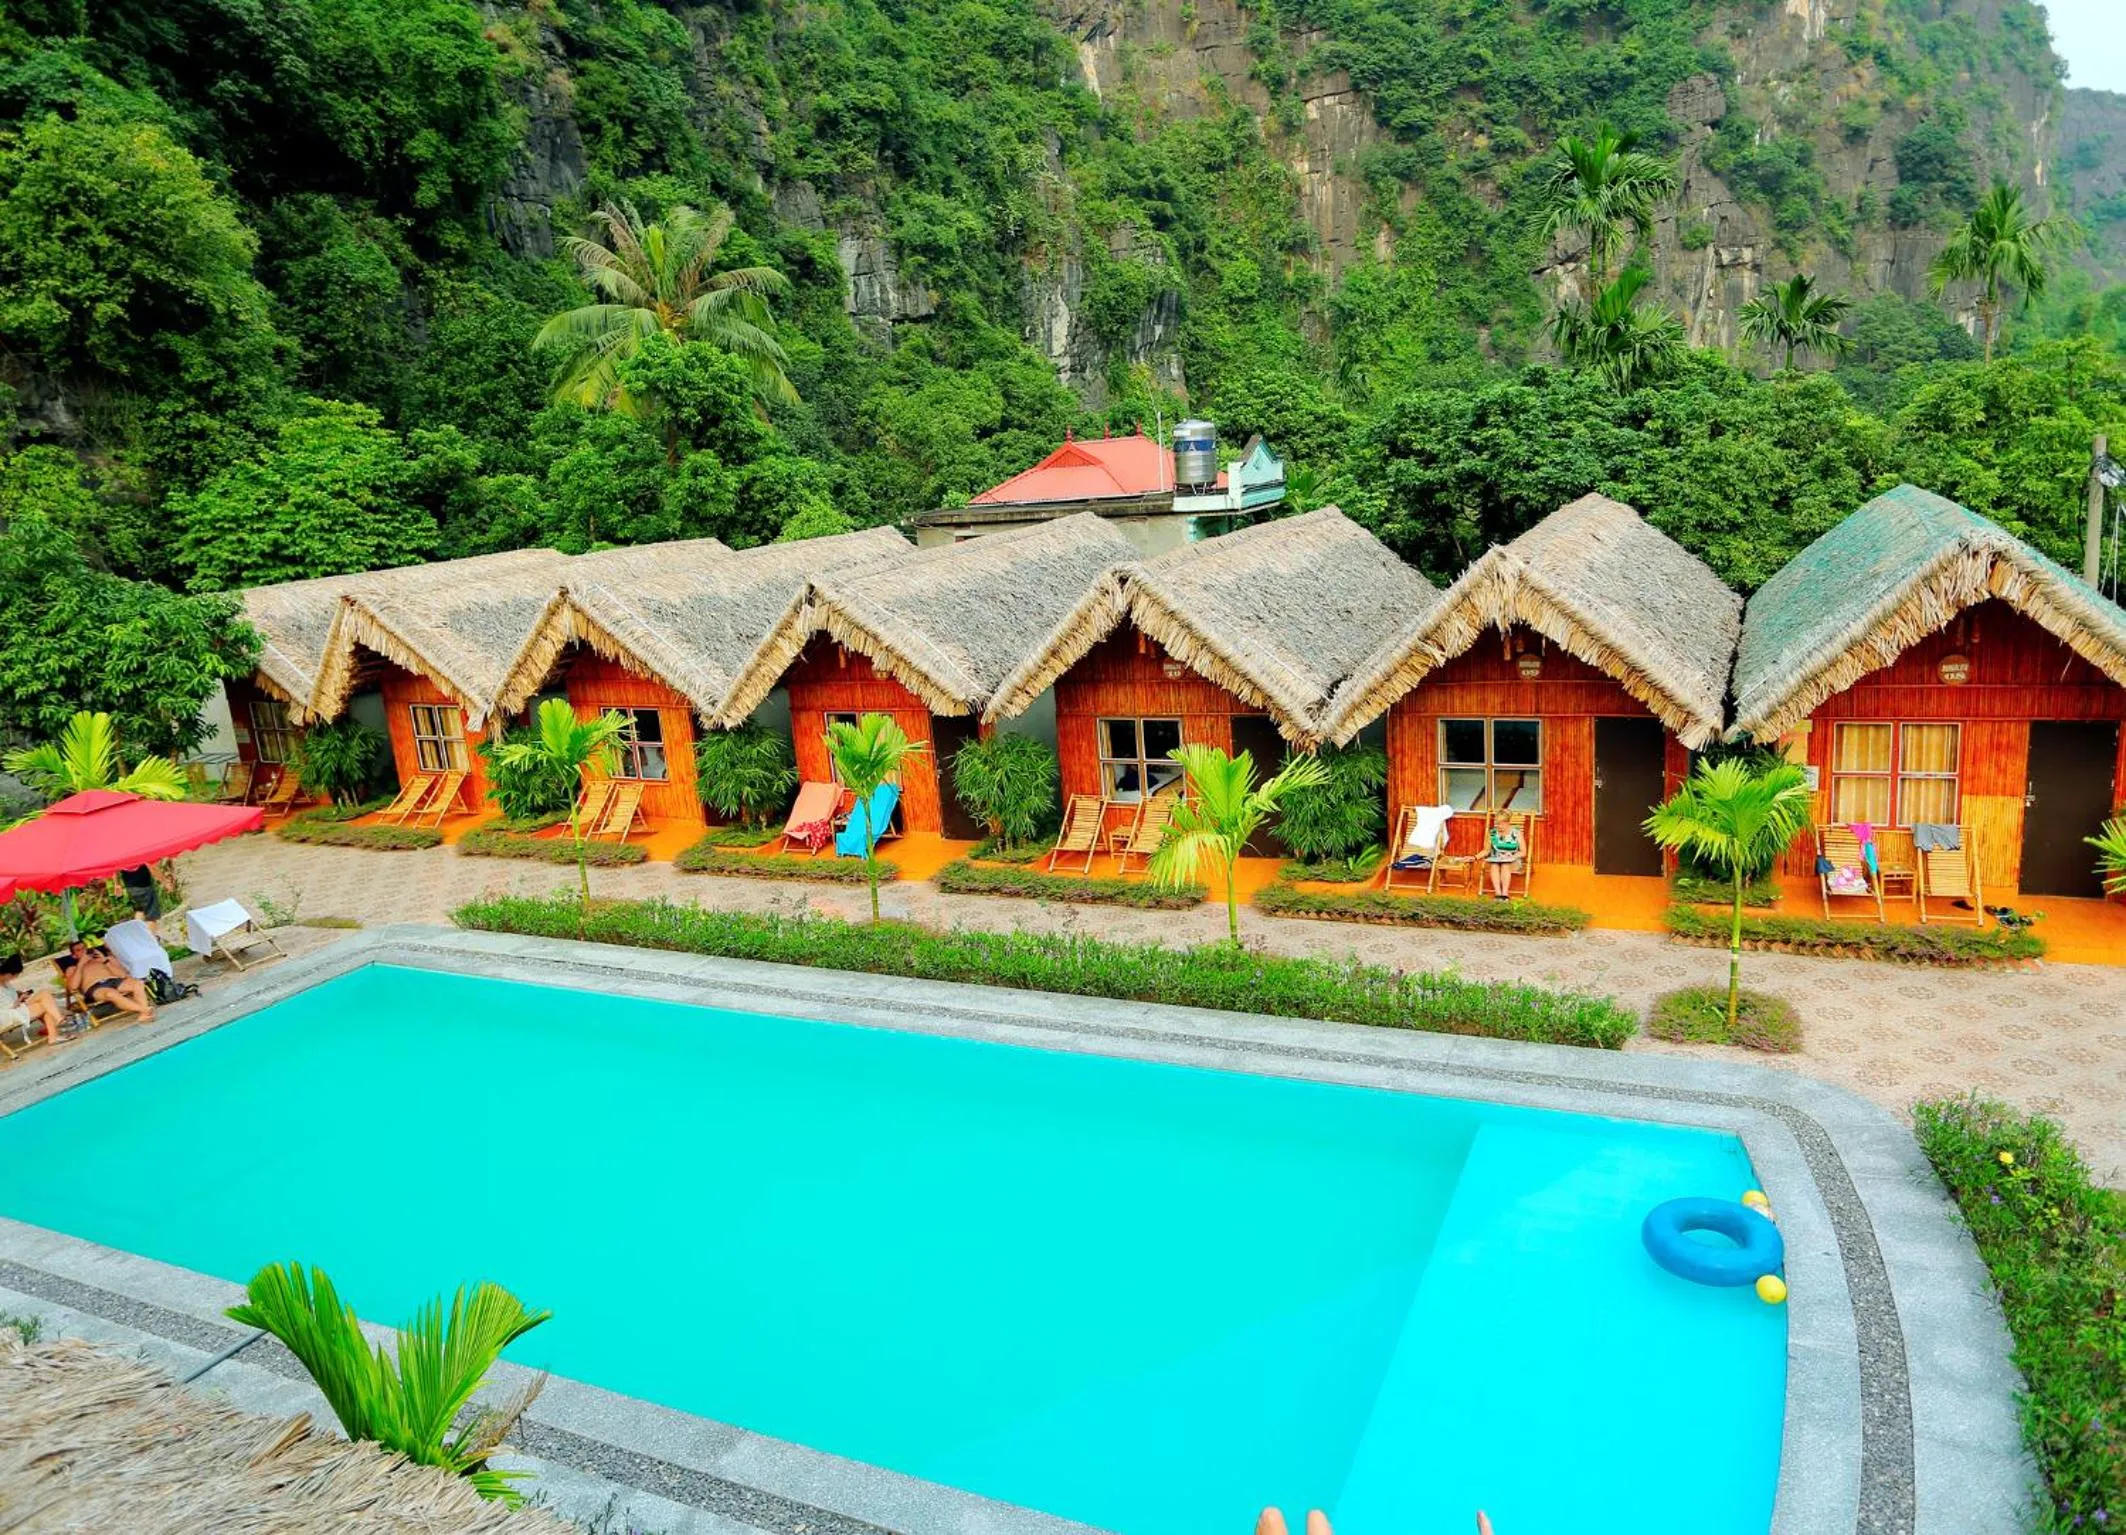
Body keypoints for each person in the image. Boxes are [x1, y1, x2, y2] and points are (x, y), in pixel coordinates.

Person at [56, 939, 156, 1022]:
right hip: (95, 987)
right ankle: (144, 1009)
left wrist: (105, 961)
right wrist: (81, 964)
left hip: (115, 981)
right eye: (78, 950)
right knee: (111, 994)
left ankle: (144, 1014)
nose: (83, 951)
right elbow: (73, 987)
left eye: (84, 948)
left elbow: (123, 975)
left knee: (138, 983)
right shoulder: (73, 969)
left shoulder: (104, 959)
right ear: (74, 956)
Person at [0, 953, 68, 1044]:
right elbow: (9, 1007)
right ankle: (57, 1021)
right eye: (15, 975)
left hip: (17, 1009)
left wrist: (21, 997)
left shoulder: (6, 982)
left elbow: (13, 1000)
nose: (15, 977)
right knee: (44, 1002)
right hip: (7, 1015)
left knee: (44, 997)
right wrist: (20, 999)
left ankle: (56, 1026)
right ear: (7, 973)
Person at [1486, 817, 1524, 899]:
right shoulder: (1492, 833)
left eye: (1502, 823)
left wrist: (1513, 856)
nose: (1499, 826)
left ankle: (1505, 894)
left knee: (1505, 864)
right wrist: (1474, 857)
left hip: (1513, 861)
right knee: (1494, 865)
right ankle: (1498, 894)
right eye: (1497, 823)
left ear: (1508, 823)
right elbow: (1486, 851)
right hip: (1496, 859)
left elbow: (1523, 852)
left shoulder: (1516, 833)